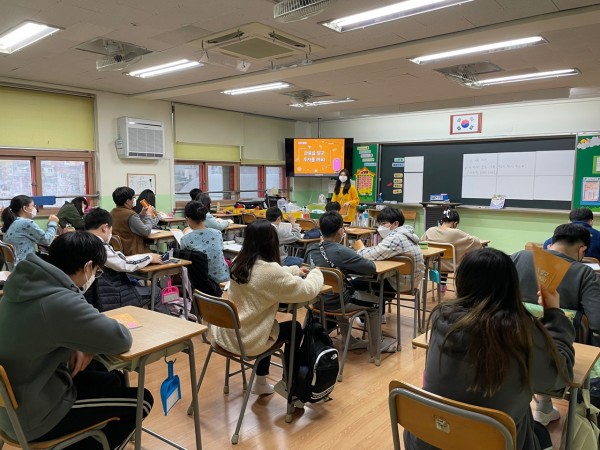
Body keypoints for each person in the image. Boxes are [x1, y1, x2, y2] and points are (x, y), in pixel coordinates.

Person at [404, 248, 574, 450]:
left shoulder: (442, 316)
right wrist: (554, 314)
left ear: (461, 281)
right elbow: (558, 379)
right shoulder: (520, 331)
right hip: (493, 442)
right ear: (512, 285)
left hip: (430, 437)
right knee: (540, 432)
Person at [0, 231, 153, 449]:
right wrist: (85, 343)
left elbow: (45, 331)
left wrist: (80, 345)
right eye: (97, 271)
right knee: (141, 402)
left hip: (11, 406)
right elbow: (121, 339)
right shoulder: (59, 301)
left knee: (112, 380)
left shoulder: (23, 285)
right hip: (35, 417)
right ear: (88, 267)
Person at [212, 220, 323, 399]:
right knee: (293, 328)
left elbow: (270, 275)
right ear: (272, 242)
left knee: (270, 325)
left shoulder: (238, 262)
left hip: (227, 333)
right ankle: (289, 383)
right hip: (249, 339)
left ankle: (262, 382)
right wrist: (317, 273)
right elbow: (307, 290)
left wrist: (294, 270)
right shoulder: (271, 272)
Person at [512, 223, 600, 425]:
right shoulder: (583, 273)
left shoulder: (518, 257)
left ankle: (543, 405)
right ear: (582, 249)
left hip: (513, 343)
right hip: (561, 355)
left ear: (552, 242)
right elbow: (597, 322)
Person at [304, 211, 379, 351]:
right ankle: (377, 347)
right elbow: (371, 268)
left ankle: (349, 341)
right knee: (376, 303)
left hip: (316, 300)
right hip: (337, 302)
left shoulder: (311, 249)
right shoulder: (341, 251)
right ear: (340, 231)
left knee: (339, 291)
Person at [84, 208, 164, 311]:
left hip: (93, 296)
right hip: (110, 297)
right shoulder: (99, 246)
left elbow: (118, 259)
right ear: (105, 227)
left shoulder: (82, 241)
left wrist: (146, 256)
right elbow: (124, 264)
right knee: (156, 292)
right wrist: (150, 257)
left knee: (136, 284)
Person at [355, 206, 425, 293]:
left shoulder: (396, 238)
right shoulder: (407, 233)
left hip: (400, 283)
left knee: (354, 283)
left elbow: (373, 254)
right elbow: (380, 250)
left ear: (395, 224)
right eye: (380, 224)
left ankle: (373, 301)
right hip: (412, 281)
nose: (380, 227)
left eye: (384, 224)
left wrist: (359, 250)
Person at [421, 208, 482, 292]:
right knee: (463, 253)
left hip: (433, 264)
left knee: (444, 257)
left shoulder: (430, 231)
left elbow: (422, 243)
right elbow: (477, 243)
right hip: (451, 266)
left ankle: (441, 286)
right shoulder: (456, 233)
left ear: (442, 221)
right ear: (455, 223)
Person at [181, 201, 230, 284]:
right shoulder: (217, 233)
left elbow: (185, 263)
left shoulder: (185, 239)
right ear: (204, 217)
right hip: (224, 279)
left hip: (203, 284)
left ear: (187, 219)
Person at [1, 195, 59, 264]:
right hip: (26, 264)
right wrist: (53, 223)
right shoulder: (25, 223)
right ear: (25, 208)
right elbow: (47, 240)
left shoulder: (13, 222)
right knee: (57, 260)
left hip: (17, 264)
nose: (35, 209)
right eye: (33, 206)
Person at [110, 186, 158, 255]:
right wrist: (149, 215)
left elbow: (130, 224)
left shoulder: (112, 212)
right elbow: (146, 231)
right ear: (128, 201)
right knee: (160, 257)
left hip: (120, 251)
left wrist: (141, 215)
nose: (134, 200)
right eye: (133, 198)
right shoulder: (130, 214)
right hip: (133, 251)